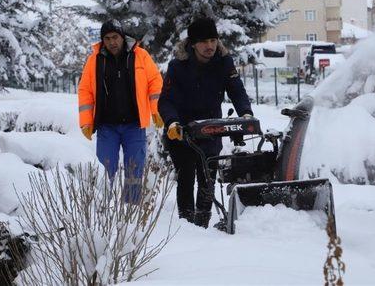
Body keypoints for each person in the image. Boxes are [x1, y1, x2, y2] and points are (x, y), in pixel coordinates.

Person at [158, 17, 253, 228]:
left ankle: (202, 222)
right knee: (186, 177)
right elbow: (166, 101)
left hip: (210, 127)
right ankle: (186, 223)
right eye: (204, 41)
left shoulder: (224, 62)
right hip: (181, 130)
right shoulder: (178, 66)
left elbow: (236, 90)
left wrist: (246, 114)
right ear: (193, 43)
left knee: (207, 177)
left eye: (213, 40)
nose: (210, 45)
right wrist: (172, 123)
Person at [78, 19, 163, 203]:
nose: (112, 42)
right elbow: (85, 91)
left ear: (122, 37)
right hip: (107, 127)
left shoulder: (140, 55)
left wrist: (156, 110)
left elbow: (155, 82)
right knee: (104, 171)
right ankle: (104, 210)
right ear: (103, 40)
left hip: (134, 125)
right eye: (107, 38)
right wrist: (86, 121)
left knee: (134, 172)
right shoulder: (95, 60)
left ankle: (131, 208)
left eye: (115, 37)